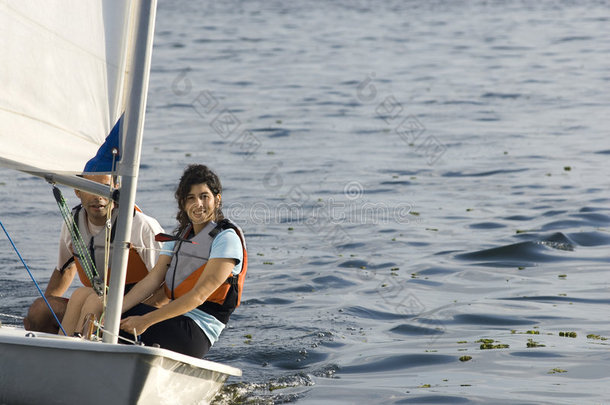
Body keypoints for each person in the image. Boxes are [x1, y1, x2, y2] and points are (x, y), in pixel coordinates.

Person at [63, 164, 247, 358]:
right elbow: (151, 281)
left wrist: (146, 321)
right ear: (183, 203)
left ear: (217, 200)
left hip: (195, 332)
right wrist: (115, 309)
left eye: (204, 197)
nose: (198, 204)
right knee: (89, 297)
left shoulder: (225, 239)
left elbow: (199, 296)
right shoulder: (179, 238)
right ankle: (61, 351)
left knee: (98, 305)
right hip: (174, 319)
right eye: (190, 198)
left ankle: (77, 358)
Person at [23, 173, 166, 334]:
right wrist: (46, 303)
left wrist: (136, 315)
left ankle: (83, 347)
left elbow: (165, 286)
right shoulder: (72, 223)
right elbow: (65, 270)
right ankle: (52, 348)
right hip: (97, 299)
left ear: (116, 188)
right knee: (40, 310)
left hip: (139, 307)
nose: (98, 196)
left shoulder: (141, 225)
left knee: (93, 301)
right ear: (78, 191)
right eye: (90, 188)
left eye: (105, 188)